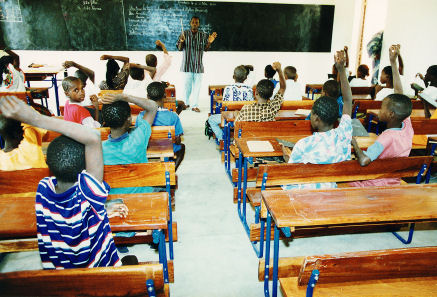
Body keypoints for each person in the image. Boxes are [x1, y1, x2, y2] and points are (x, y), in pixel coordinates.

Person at [0, 95, 128, 269]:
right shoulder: (89, 194)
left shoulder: (43, 189)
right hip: (99, 272)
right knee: (131, 262)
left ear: (49, 165)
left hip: (61, 277)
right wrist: (35, 119)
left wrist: (102, 208)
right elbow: (93, 138)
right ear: (86, 169)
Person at [282, 49, 353, 189]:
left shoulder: (304, 144)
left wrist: (287, 157)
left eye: (312, 113)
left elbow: (291, 175)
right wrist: (342, 70)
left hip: (308, 194)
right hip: (332, 189)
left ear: (316, 119)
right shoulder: (344, 133)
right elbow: (348, 101)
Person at [350, 45, 412, 187]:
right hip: (394, 181)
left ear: (391, 114)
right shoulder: (407, 126)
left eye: (382, 108)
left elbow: (364, 160)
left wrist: (354, 144)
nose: (379, 110)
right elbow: (400, 94)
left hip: (375, 183)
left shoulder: (386, 137)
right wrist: (393, 62)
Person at [101, 92, 158, 194]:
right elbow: (153, 106)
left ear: (104, 121)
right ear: (129, 119)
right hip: (142, 197)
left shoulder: (98, 149)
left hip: (114, 201)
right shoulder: (138, 138)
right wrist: (125, 97)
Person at [177, 16, 218, 112]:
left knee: (197, 87)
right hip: (187, 65)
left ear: (198, 24)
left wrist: (209, 42)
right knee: (187, 87)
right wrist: (182, 41)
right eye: (193, 22)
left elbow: (206, 49)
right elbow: (179, 48)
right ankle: (186, 103)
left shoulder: (203, 35)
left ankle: (194, 105)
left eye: (196, 22)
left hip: (198, 65)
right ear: (190, 23)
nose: (195, 24)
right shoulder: (184, 34)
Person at [142, 82, 185, 170]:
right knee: (182, 147)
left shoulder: (141, 116)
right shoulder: (173, 116)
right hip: (166, 147)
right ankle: (172, 171)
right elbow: (177, 140)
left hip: (147, 148)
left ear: (147, 97)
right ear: (165, 96)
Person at [207, 65, 254, 141]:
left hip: (229, 118)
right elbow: (250, 105)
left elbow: (224, 105)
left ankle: (222, 138)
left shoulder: (228, 88)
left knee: (211, 119)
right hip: (244, 117)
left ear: (233, 76)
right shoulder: (249, 90)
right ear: (245, 78)